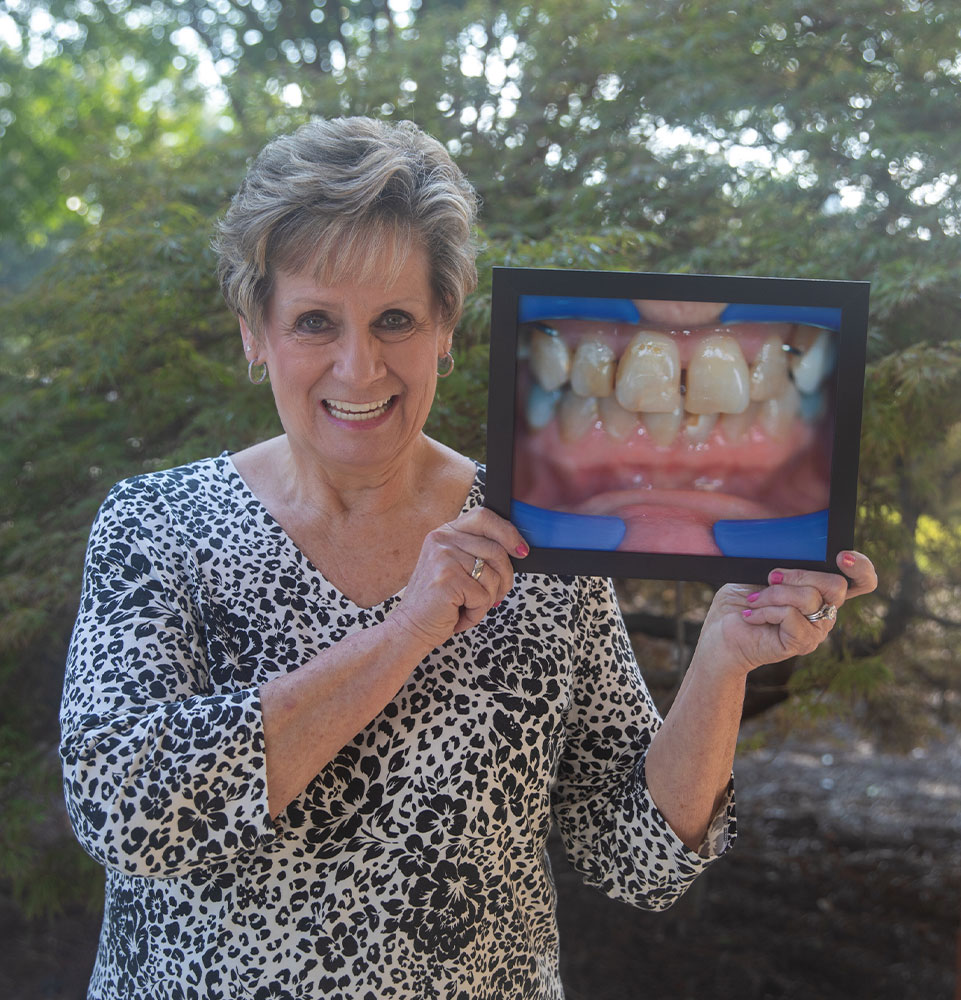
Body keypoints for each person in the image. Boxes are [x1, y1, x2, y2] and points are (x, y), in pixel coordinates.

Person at [60, 116, 878, 1000]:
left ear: (446, 327)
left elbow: (636, 856)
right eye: (312, 322)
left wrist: (721, 663)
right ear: (256, 333)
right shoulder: (157, 525)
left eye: (396, 320)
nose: (357, 366)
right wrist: (408, 628)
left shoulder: (535, 530)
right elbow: (125, 807)